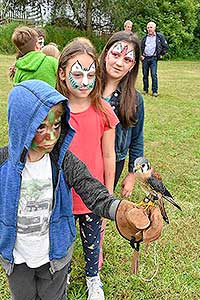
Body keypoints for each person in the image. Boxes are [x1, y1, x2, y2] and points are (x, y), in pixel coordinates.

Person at [0, 79, 163, 300]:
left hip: (55, 259)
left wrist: (122, 210)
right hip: (16, 259)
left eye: (57, 125)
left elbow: (92, 190)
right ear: (21, 125)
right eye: (41, 127)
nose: (51, 136)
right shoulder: (3, 164)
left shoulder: (63, 160)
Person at [57, 37, 119, 300]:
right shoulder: (55, 110)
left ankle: (93, 277)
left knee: (93, 242)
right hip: (61, 196)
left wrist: (107, 195)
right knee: (63, 241)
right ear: (62, 73)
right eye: (77, 73)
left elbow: (108, 155)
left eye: (91, 74)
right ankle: (64, 273)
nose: (84, 81)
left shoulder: (103, 110)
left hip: (92, 197)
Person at [99, 30, 144, 271]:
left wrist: (131, 174)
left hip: (113, 162)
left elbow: (137, 139)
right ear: (106, 53)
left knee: (102, 205)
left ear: (133, 65)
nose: (119, 62)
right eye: (116, 54)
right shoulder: (86, 85)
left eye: (127, 59)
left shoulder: (134, 99)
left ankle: (97, 245)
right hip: (80, 157)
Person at [141, 21, 169, 97]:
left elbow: (165, 46)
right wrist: (141, 55)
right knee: (145, 75)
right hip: (145, 58)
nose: (149, 29)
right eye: (148, 27)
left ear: (154, 28)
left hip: (154, 58)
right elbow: (141, 47)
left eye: (151, 27)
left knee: (154, 74)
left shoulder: (159, 36)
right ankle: (145, 89)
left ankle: (154, 91)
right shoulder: (144, 38)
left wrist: (161, 54)